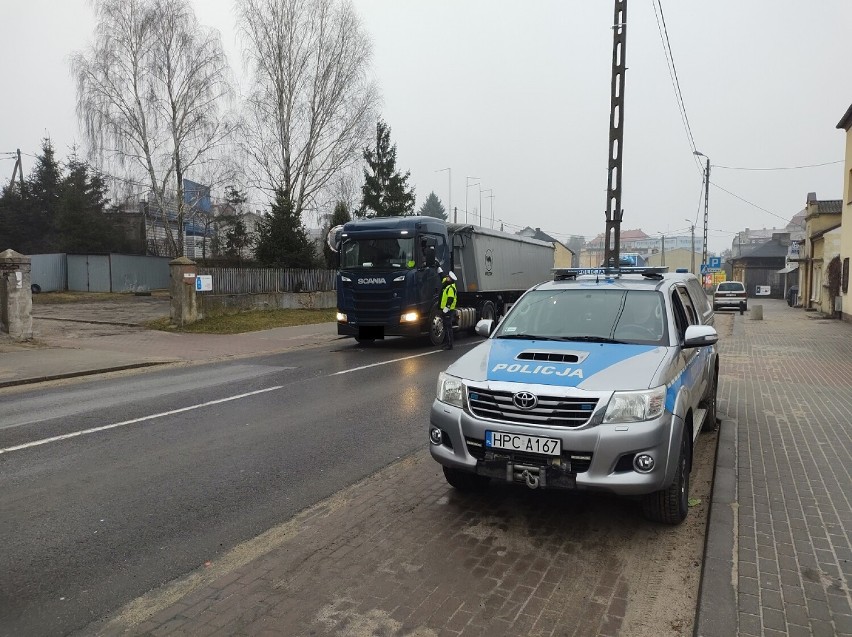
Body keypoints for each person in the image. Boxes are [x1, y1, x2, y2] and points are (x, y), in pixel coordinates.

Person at [440, 271, 458, 349]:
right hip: (446, 310)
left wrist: (446, 308)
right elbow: (442, 278)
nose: (446, 278)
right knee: (446, 326)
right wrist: (439, 270)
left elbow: (450, 299)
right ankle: (447, 343)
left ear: (451, 279)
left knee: (448, 327)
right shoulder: (448, 285)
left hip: (448, 310)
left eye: (448, 277)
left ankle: (450, 345)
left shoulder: (451, 288)